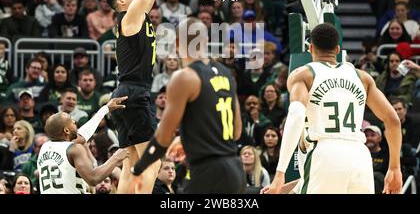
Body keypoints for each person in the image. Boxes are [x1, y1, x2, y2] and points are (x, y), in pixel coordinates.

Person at [262, 23, 402, 194]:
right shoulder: (362, 78)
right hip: (360, 156)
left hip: (325, 151)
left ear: (311, 48)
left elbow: (297, 114)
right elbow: (393, 120)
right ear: (337, 50)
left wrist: (279, 173)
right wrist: (394, 168)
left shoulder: (304, 74)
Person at [130, 17, 245, 194]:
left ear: (177, 43)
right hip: (235, 171)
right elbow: (237, 131)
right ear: (206, 41)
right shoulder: (226, 73)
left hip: (208, 173)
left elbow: (163, 138)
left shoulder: (184, 77)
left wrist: (138, 169)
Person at [105, 0, 175, 194]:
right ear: (122, 1)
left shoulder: (132, 19)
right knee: (151, 162)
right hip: (134, 93)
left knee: (133, 162)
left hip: (124, 94)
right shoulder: (130, 16)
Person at [37, 96, 129, 194]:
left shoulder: (45, 147)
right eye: (72, 122)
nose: (75, 122)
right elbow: (93, 179)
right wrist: (116, 158)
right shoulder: (75, 149)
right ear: (66, 130)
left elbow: (82, 134)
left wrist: (105, 109)